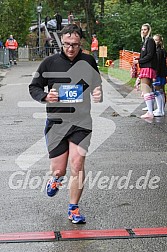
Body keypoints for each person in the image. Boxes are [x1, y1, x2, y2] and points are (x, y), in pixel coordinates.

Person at [29, 24, 103, 224]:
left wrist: (98, 93)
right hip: (57, 123)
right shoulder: (49, 63)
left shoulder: (88, 61)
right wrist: (45, 96)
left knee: (77, 164)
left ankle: (73, 208)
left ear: (81, 44)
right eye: (67, 44)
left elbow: (97, 84)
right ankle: (56, 179)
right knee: (59, 170)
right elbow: (33, 87)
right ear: (61, 42)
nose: (71, 49)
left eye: (75, 45)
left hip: (81, 122)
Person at [133, 23, 157, 119]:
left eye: (145, 29)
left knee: (145, 89)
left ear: (149, 30)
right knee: (148, 89)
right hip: (146, 66)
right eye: (142, 29)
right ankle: (150, 110)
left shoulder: (150, 40)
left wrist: (139, 60)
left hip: (148, 67)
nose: (143, 31)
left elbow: (150, 55)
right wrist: (139, 59)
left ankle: (150, 112)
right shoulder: (145, 41)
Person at [152, 34, 166, 117]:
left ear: (160, 41)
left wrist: (155, 75)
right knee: (160, 91)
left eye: (156, 40)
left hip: (158, 74)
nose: (154, 42)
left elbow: (157, 64)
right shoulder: (162, 51)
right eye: (153, 40)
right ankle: (160, 109)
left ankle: (160, 110)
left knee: (158, 91)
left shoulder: (158, 51)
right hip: (162, 74)